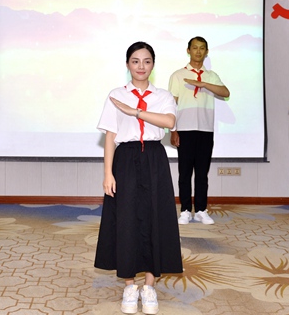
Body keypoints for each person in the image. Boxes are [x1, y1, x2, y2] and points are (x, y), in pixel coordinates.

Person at [95, 41, 183, 315]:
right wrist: (108, 173)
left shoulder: (163, 96)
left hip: (154, 159)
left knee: (156, 218)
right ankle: (130, 285)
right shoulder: (116, 95)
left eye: (146, 61)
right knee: (126, 220)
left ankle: (149, 286)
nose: (141, 66)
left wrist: (135, 111)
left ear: (153, 65)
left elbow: (169, 122)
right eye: (135, 61)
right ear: (127, 65)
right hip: (126, 159)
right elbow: (110, 136)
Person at [168, 37, 230, 225]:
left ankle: (201, 210)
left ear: (206, 51)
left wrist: (203, 84)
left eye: (202, 48)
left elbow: (225, 92)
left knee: (202, 173)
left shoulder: (211, 76)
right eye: (194, 48)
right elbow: (171, 105)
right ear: (188, 50)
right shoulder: (178, 75)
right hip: (184, 129)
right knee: (185, 173)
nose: (198, 51)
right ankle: (186, 210)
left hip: (205, 130)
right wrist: (173, 130)